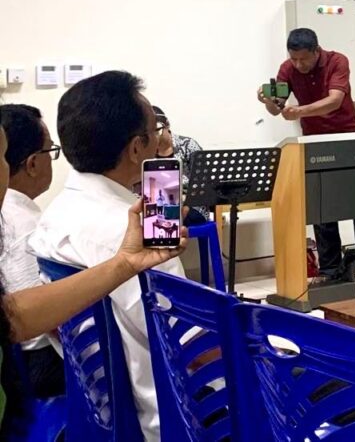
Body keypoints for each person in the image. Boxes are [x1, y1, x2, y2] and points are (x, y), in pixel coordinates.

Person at [0, 105, 185, 437]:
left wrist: (123, 264)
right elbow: (184, 345)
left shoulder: (57, 212)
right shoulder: (115, 225)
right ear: (136, 147)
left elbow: (13, 317)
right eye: (1, 157)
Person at [257, 28, 355, 279]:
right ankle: (330, 270)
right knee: (322, 205)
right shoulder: (287, 69)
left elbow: (334, 100)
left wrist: (300, 111)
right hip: (313, 142)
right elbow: (276, 109)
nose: (298, 65)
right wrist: (267, 100)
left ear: (316, 51)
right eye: (294, 59)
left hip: (347, 138)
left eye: (304, 59)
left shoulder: (337, 61)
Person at [0, 104, 64, 398]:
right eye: (50, 151)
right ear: (33, 163)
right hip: (37, 365)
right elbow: (42, 323)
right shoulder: (25, 227)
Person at [152, 105, 208, 226]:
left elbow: (202, 182)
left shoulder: (188, 145)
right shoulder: (147, 152)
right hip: (161, 204)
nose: (155, 136)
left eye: (157, 131)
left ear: (167, 124)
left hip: (192, 206)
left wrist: (185, 205)